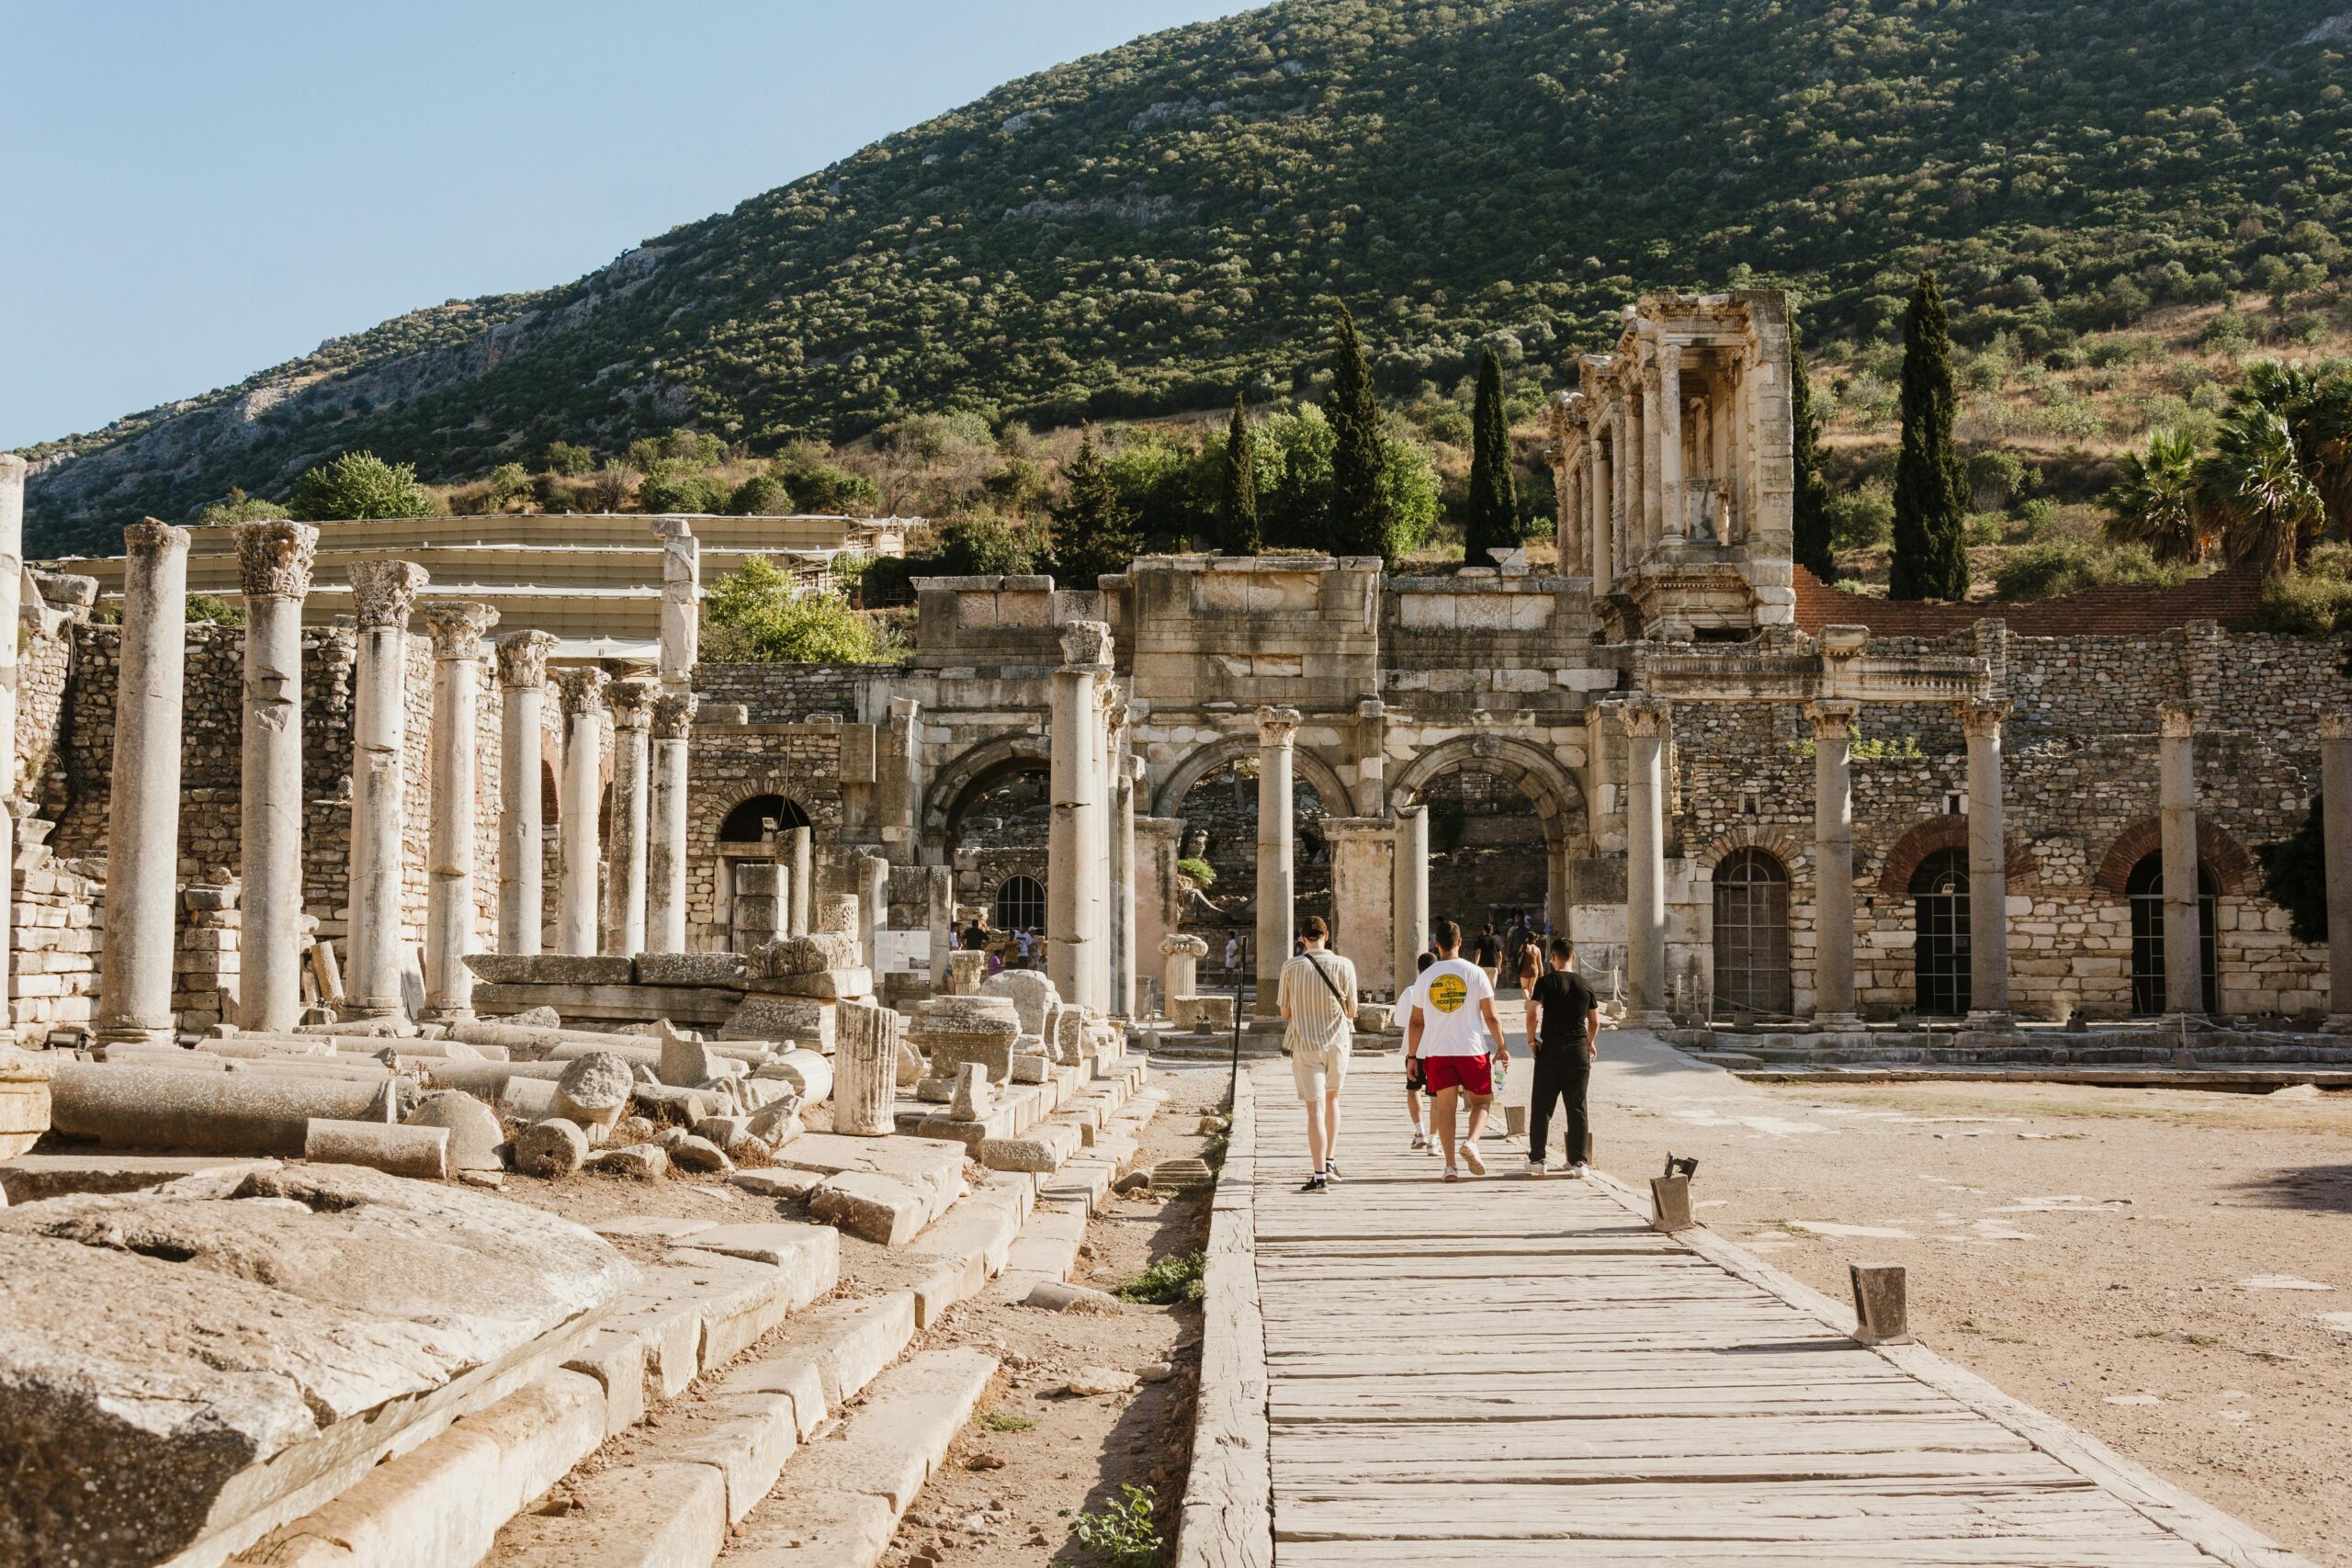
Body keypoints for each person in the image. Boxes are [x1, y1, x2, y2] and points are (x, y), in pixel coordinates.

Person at [1404, 919, 1510, 1181]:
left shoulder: (1425, 977)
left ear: (1436, 945)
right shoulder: (1476, 973)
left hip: (1438, 1050)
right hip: (1471, 1048)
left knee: (1445, 1107)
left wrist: (1412, 1056)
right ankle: (1471, 1142)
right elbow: (1491, 1016)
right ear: (1460, 942)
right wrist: (1502, 1046)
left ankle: (1450, 1166)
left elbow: (1416, 1022)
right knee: (1482, 1102)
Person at [1277, 916, 1358, 1192]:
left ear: (1302, 938)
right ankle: (1330, 1161)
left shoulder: (1291, 966)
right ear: (1327, 935)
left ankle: (1319, 1175)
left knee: (1314, 1109)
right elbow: (1352, 1011)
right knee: (1333, 1100)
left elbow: (1285, 1012)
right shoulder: (1345, 965)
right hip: (1337, 1043)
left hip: (1305, 1044)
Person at [1524, 937, 1600, 1177]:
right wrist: (1589, 1042)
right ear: (1574, 958)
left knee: (1542, 1106)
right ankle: (1578, 1162)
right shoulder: (1585, 984)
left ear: (1553, 957)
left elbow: (1533, 1013)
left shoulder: (1546, 982)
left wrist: (1532, 1040)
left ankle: (1538, 1158)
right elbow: (1594, 1022)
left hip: (1551, 1050)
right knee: (1577, 1106)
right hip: (1578, 1051)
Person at [1394, 951, 1439, 1154]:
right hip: (1436, 1049)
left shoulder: (1410, 991)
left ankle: (1420, 1132)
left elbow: (1400, 1021)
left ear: (1418, 970)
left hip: (1415, 1049)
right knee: (1436, 1096)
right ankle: (1434, 1140)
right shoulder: (1440, 991)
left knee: (1413, 1090)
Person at [1471, 922, 1503, 988]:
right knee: (1492, 986)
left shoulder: (1481, 940)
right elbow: (1500, 955)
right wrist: (1499, 966)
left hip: (1482, 966)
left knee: (1482, 986)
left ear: (1484, 930)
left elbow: (1478, 953)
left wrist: (1476, 965)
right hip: (1493, 966)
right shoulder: (1496, 940)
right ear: (1492, 931)